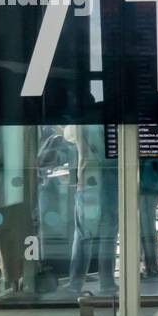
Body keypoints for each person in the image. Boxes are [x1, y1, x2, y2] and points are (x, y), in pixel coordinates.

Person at [65, 116, 117, 295]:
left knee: (83, 236)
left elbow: (67, 134)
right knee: (108, 234)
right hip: (113, 180)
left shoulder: (81, 120)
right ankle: (107, 282)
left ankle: (75, 283)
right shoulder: (114, 120)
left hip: (89, 182)